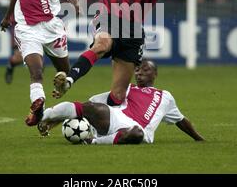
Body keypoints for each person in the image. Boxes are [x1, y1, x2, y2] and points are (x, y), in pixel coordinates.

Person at [0, 0, 79, 127]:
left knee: (65, 72)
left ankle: (60, 90)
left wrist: (76, 9)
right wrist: (7, 16)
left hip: (52, 28)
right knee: (36, 72)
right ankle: (38, 108)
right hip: (27, 29)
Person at [39, 59, 204, 144]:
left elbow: (181, 120)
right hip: (116, 119)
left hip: (138, 130)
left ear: (155, 74)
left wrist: (199, 139)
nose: (139, 73)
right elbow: (89, 105)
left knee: (137, 133)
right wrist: (57, 119)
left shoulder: (166, 96)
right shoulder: (127, 88)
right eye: (138, 70)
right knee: (90, 107)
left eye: (145, 70)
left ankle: (94, 142)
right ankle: (44, 115)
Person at [1, 0, 23, 84]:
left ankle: (37, 84)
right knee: (19, 56)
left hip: (37, 22)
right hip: (19, 23)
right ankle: (11, 64)